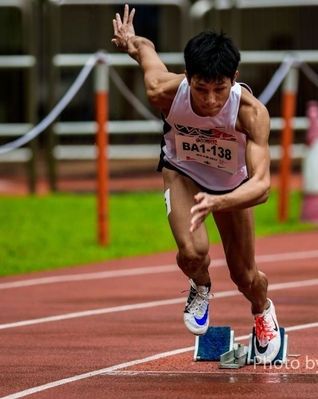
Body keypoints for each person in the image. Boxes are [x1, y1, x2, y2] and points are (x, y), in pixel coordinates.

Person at [111, 4, 281, 364]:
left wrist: (219, 203)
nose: (209, 100)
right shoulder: (163, 91)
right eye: (201, 88)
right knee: (192, 252)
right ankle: (200, 285)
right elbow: (147, 52)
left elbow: (263, 186)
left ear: (234, 78)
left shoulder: (251, 113)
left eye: (219, 89)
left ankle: (262, 310)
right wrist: (130, 40)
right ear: (187, 77)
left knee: (245, 275)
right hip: (183, 171)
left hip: (233, 187)